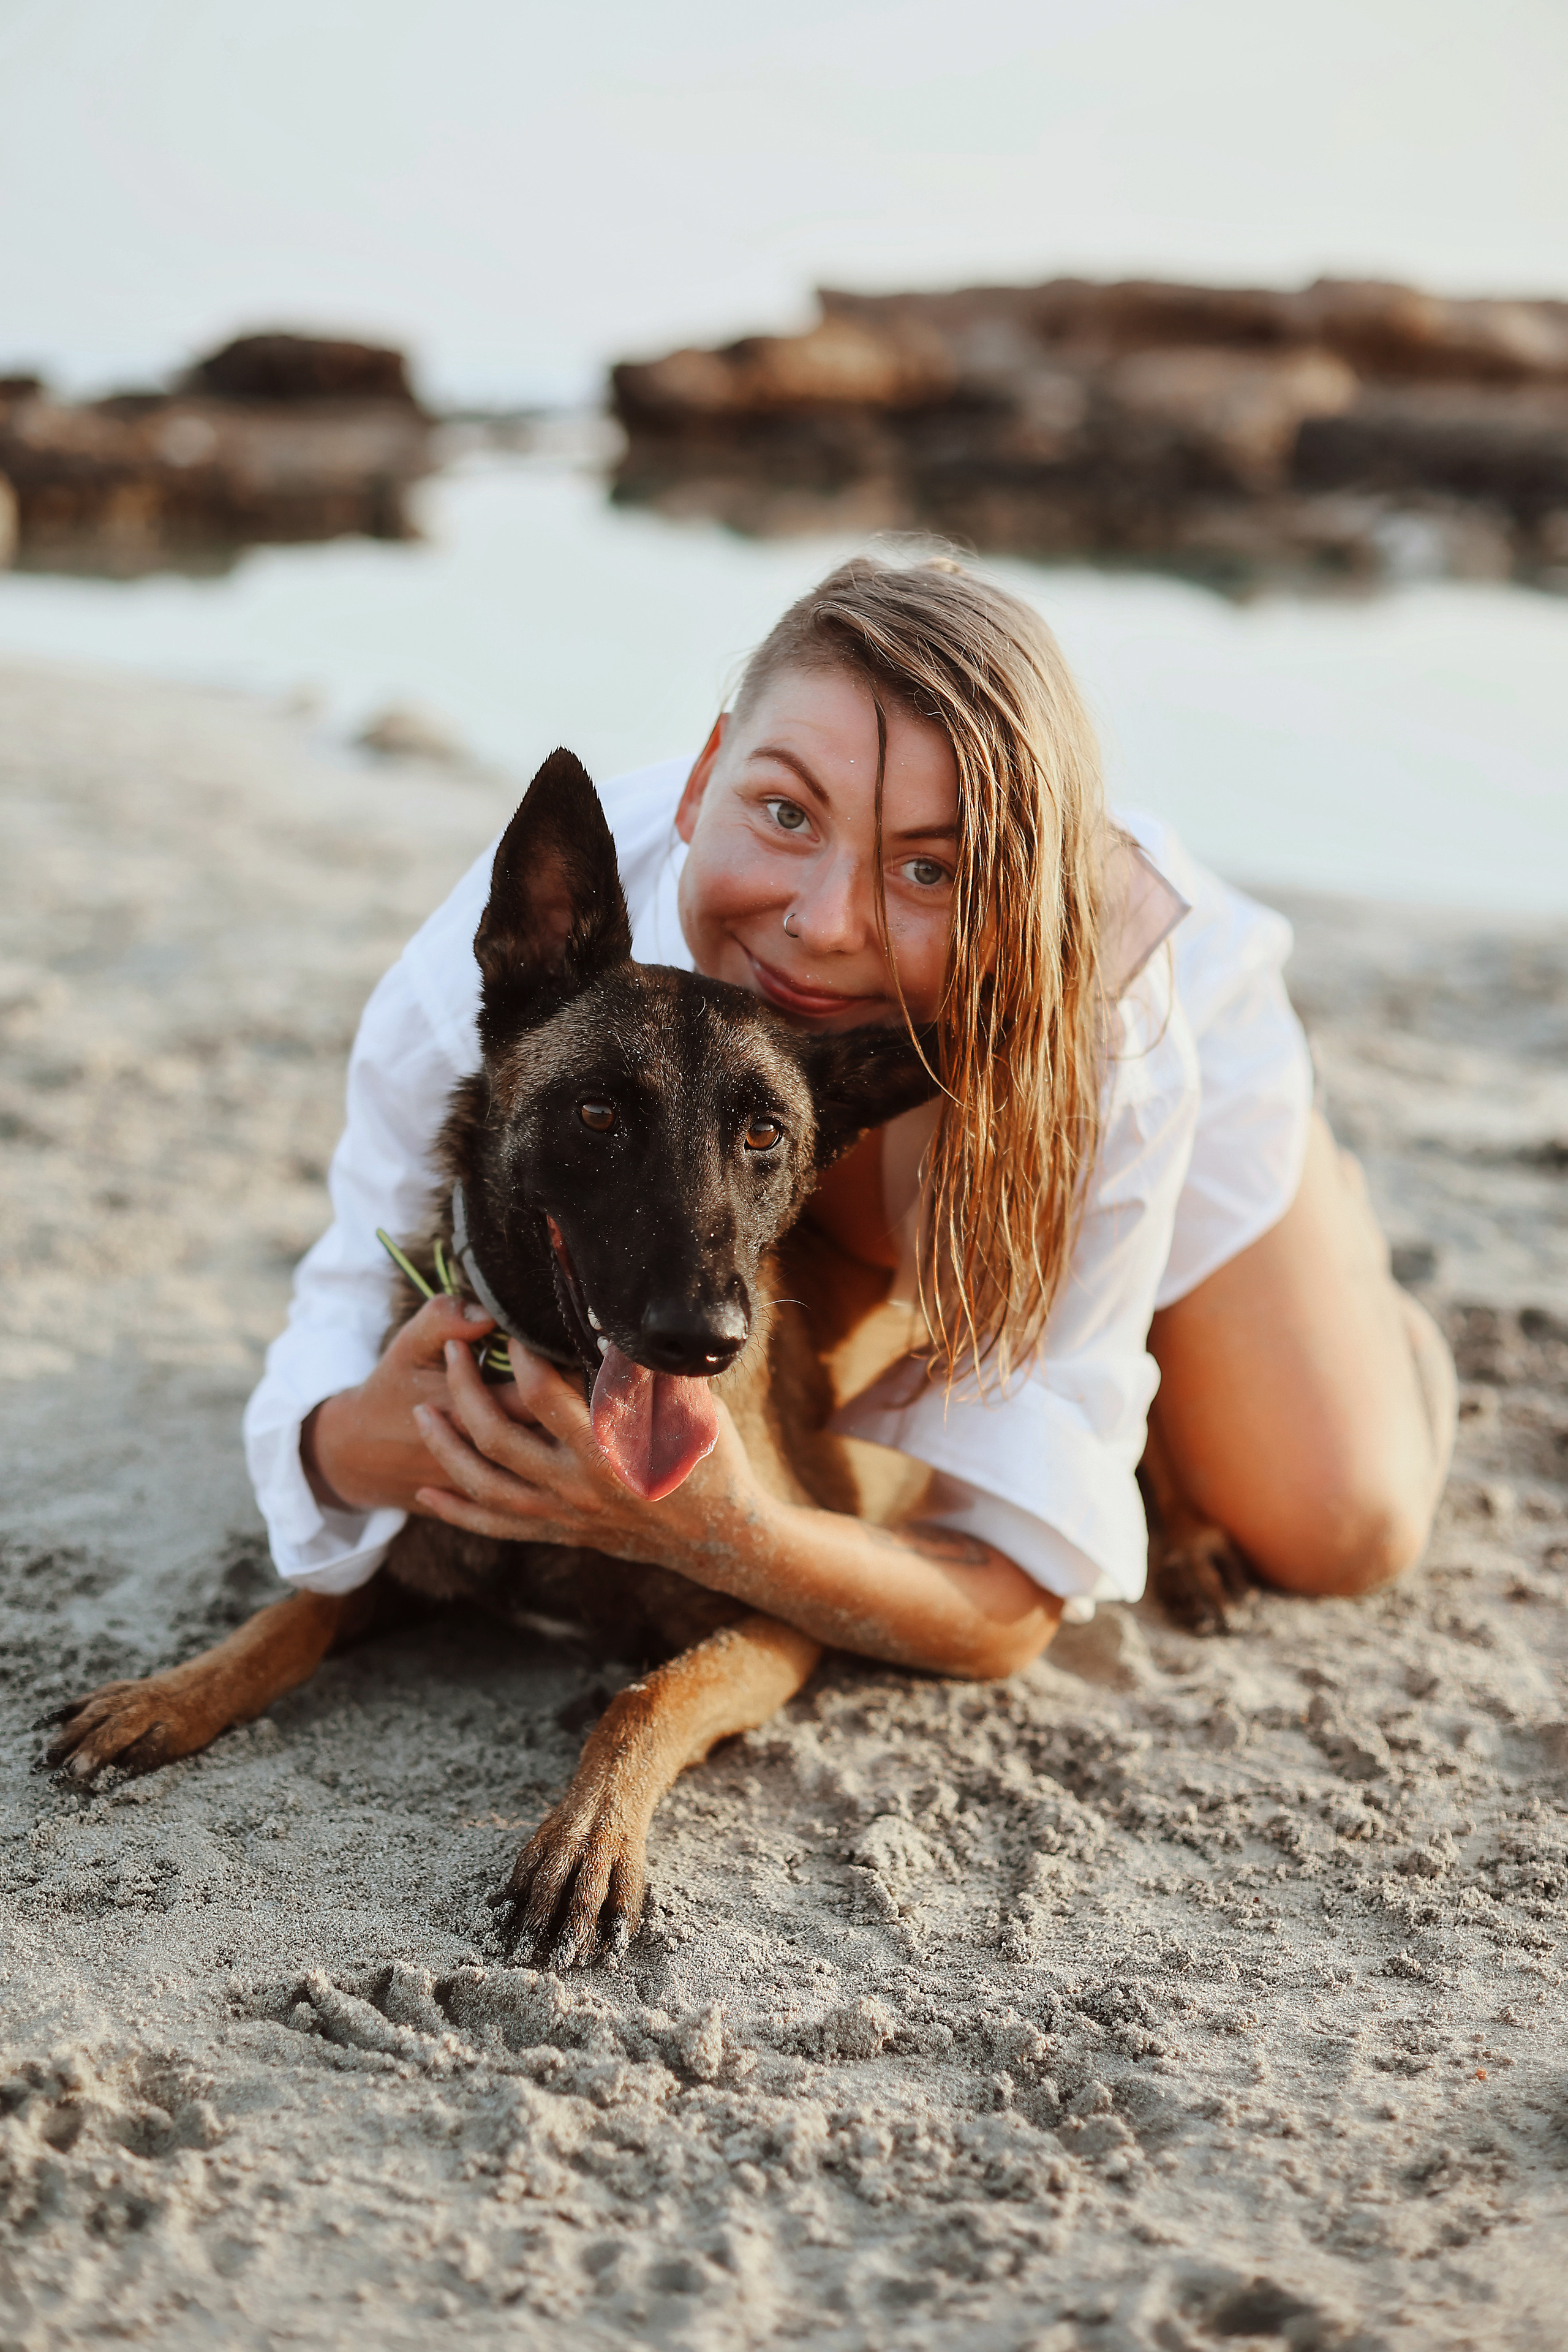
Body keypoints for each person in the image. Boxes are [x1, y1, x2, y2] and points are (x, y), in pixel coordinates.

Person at [243, 552, 1457, 1681]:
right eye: (784, 813)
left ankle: (1308, 1242)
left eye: (926, 868)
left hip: (1038, 1082)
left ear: (1003, 888)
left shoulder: (1104, 1043)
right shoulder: (543, 947)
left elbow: (1007, 1605)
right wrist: (345, 1445)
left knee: (1334, 1531)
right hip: (791, 1118)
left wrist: (729, 1534)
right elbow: (348, 1286)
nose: (823, 925)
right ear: (706, 774)